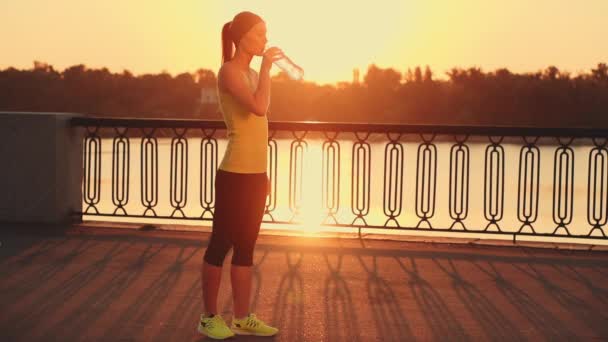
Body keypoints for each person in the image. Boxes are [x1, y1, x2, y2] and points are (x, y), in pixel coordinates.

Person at [197, 11, 283, 340]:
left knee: (246, 247)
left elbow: (259, 125)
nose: (265, 39)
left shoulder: (248, 73)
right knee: (220, 245)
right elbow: (258, 108)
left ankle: (243, 317)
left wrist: (263, 176)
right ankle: (208, 318)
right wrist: (267, 70)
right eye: (260, 34)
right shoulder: (230, 72)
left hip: (255, 175)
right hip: (233, 174)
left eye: (265, 33)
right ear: (243, 36)